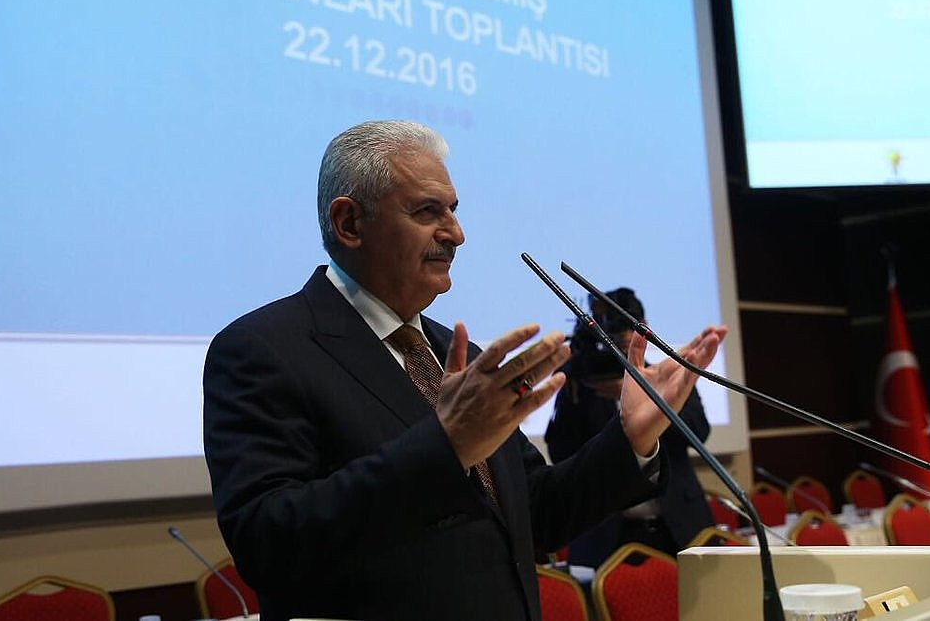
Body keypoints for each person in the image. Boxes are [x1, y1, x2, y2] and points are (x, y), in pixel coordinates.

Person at [203, 120, 726, 621]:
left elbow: (536, 512)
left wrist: (631, 437)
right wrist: (445, 445)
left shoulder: (460, 355)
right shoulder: (263, 349)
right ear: (350, 224)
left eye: (453, 210)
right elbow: (268, 542)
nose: (456, 234)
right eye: (427, 211)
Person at [545, 287, 716, 564]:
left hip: (679, 525)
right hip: (607, 532)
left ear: (645, 327)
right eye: (612, 327)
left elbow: (699, 431)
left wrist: (653, 401)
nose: (622, 335)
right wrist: (572, 395)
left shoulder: (668, 376)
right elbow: (561, 452)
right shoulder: (584, 383)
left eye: (628, 325)